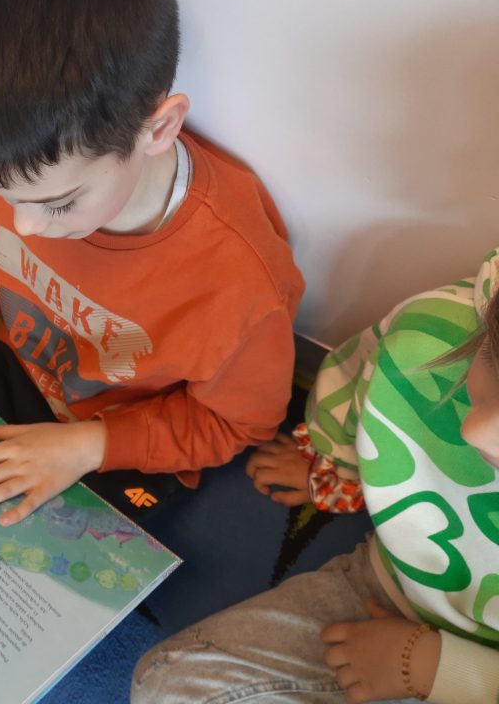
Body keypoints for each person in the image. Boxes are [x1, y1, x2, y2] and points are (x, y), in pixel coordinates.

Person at [0, 0, 305, 529]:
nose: (25, 225)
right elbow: (11, 268)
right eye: (2, 197)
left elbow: (238, 424)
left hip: (126, 440)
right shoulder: (27, 167)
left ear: (157, 129)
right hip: (24, 373)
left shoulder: (239, 286)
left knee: (28, 557)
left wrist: (87, 446)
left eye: (58, 204)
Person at [132, 248, 499, 704]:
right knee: (168, 686)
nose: (475, 431)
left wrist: (441, 671)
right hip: (399, 588)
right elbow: (362, 374)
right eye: (490, 360)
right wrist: (332, 462)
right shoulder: (435, 331)